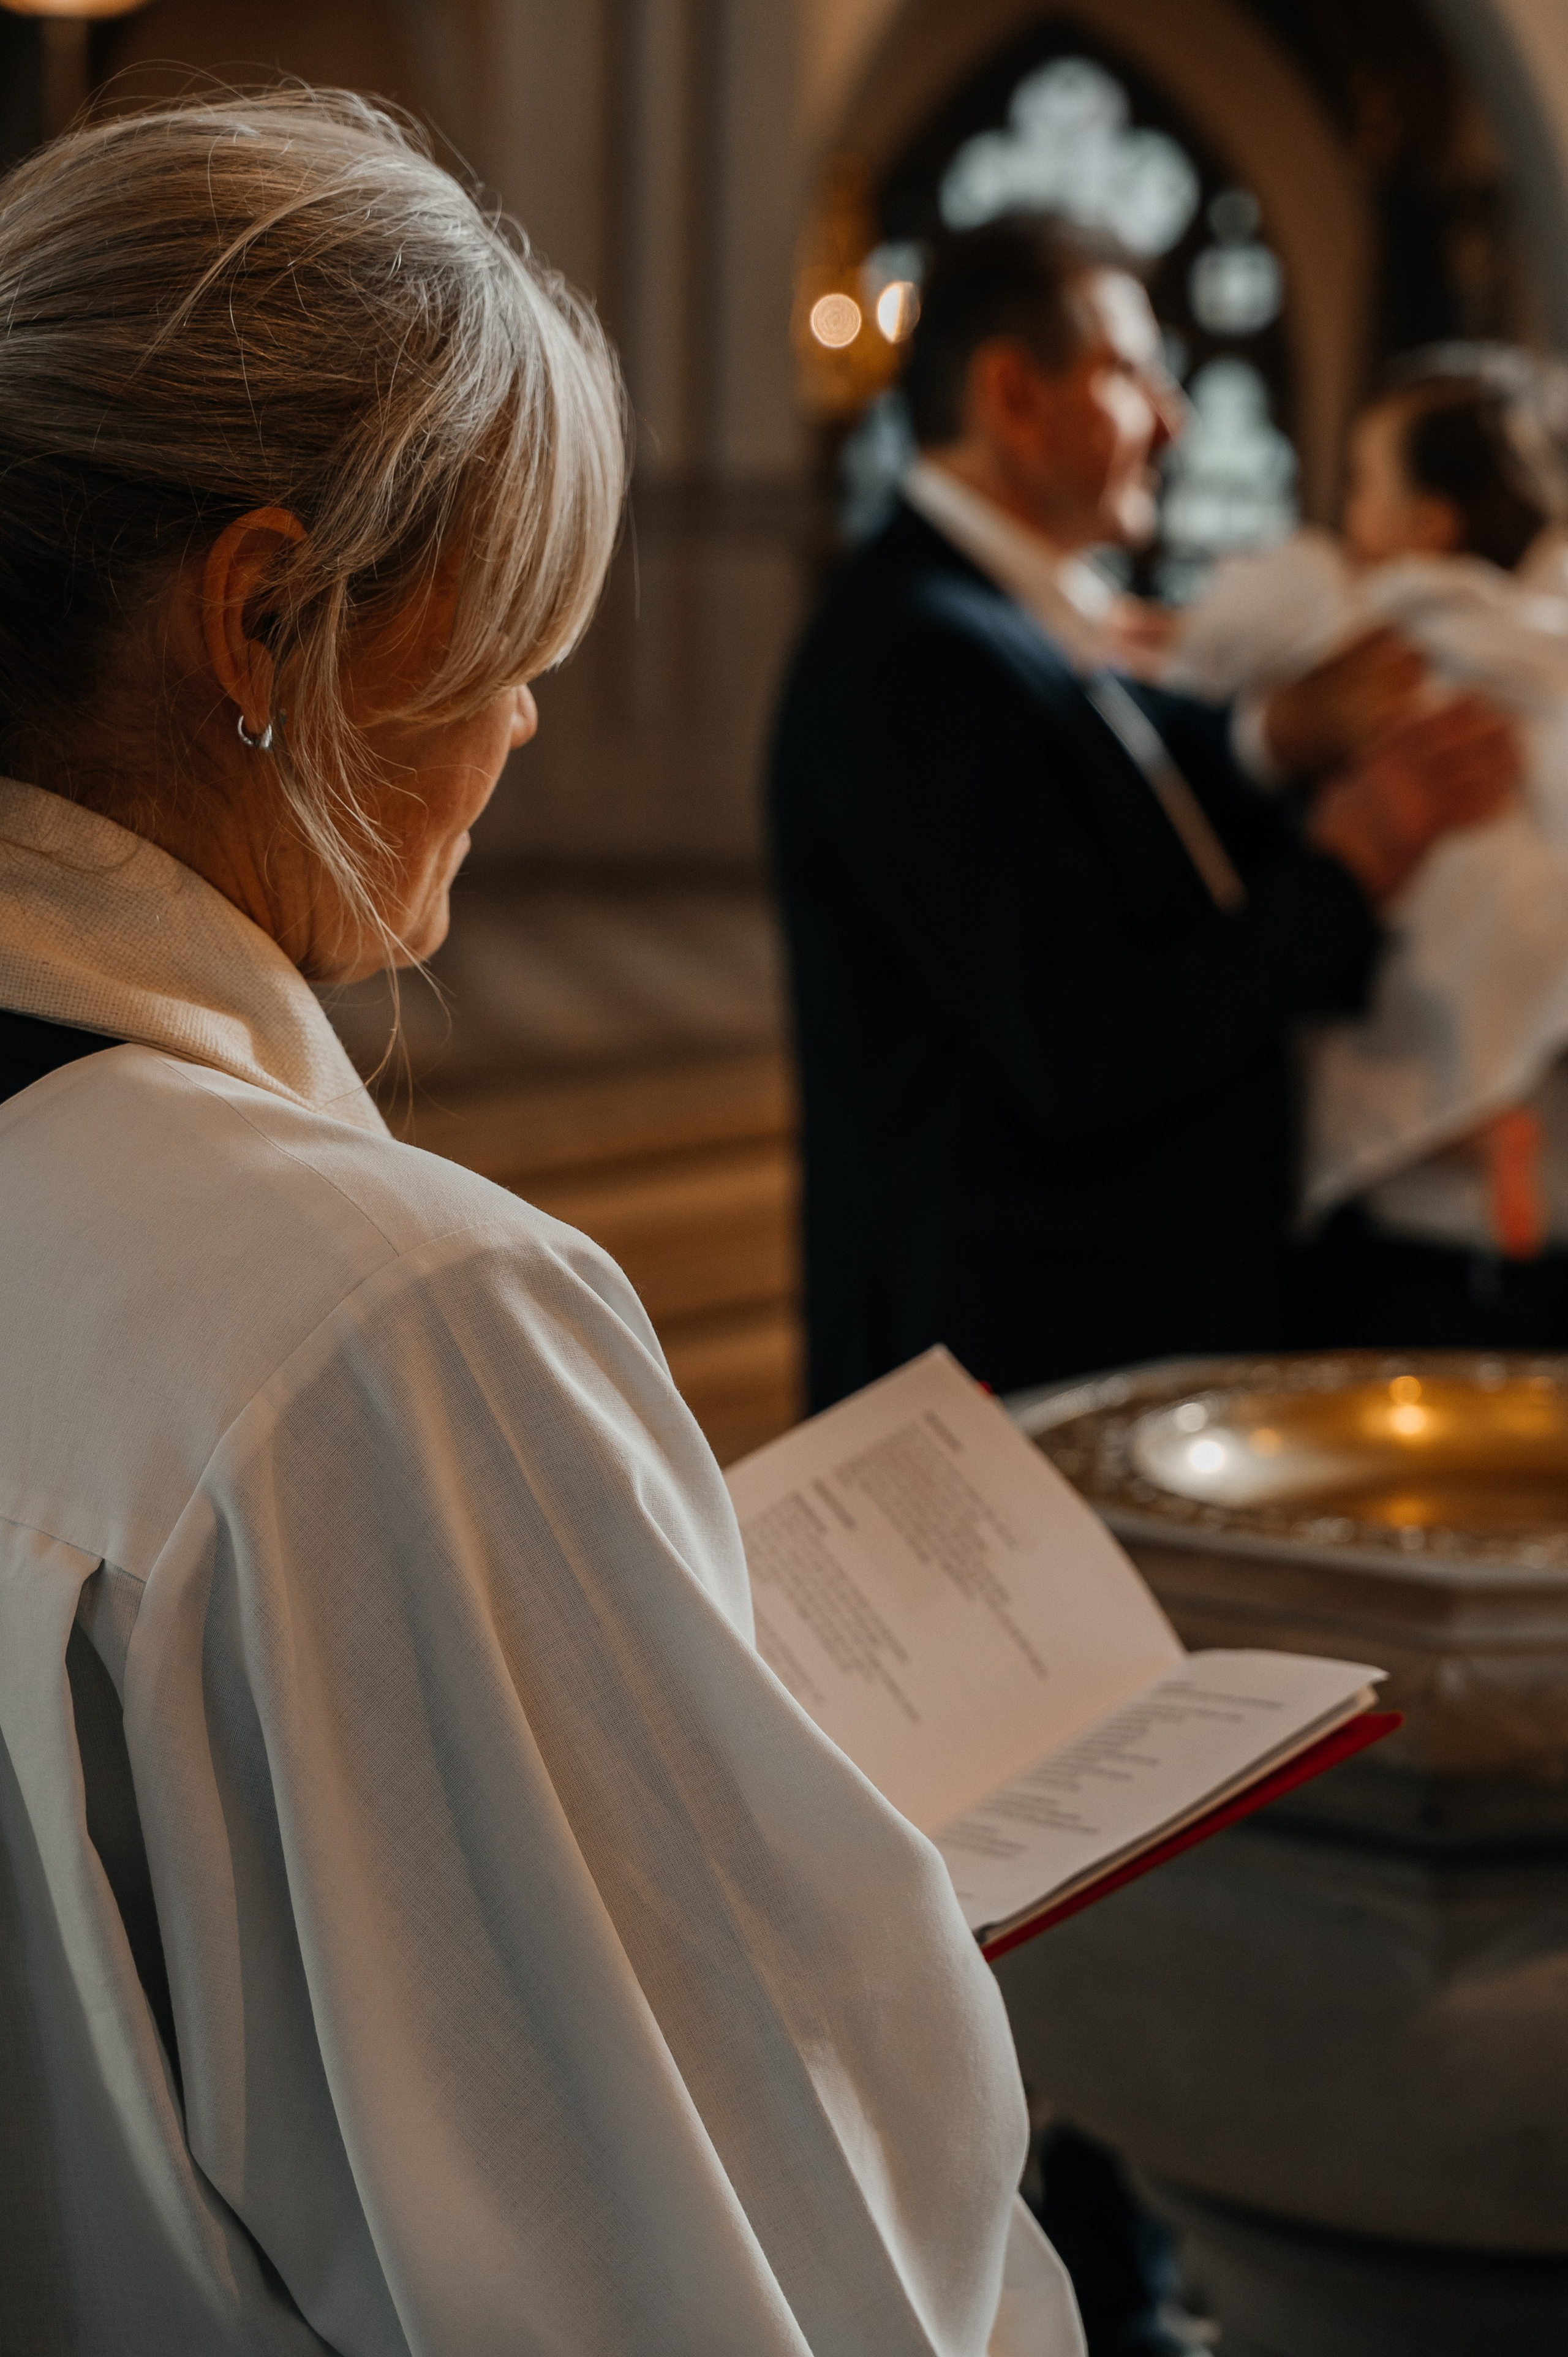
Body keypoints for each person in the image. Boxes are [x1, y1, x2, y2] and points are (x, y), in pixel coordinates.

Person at [0, 94, 1083, 2355]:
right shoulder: (384, 1324)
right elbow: (740, 2272)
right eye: (497, 634)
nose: (521, 721)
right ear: (264, 616)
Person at [770, 217, 1517, 1414]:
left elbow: (1114, 793)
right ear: (1013, 393)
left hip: (1087, 1345)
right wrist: (1348, 863)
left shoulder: (996, 623)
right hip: (1015, 1377)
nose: (1172, 417)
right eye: (1131, 373)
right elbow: (1085, 1043)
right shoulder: (917, 658)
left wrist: (1278, 733)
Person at [1167, 346, 1568, 1344]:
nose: (1344, 518)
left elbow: (1212, 643)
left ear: (1428, 527)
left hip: (1400, 1203)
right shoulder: (1546, 639)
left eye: (1360, 485)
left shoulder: (1366, 618)